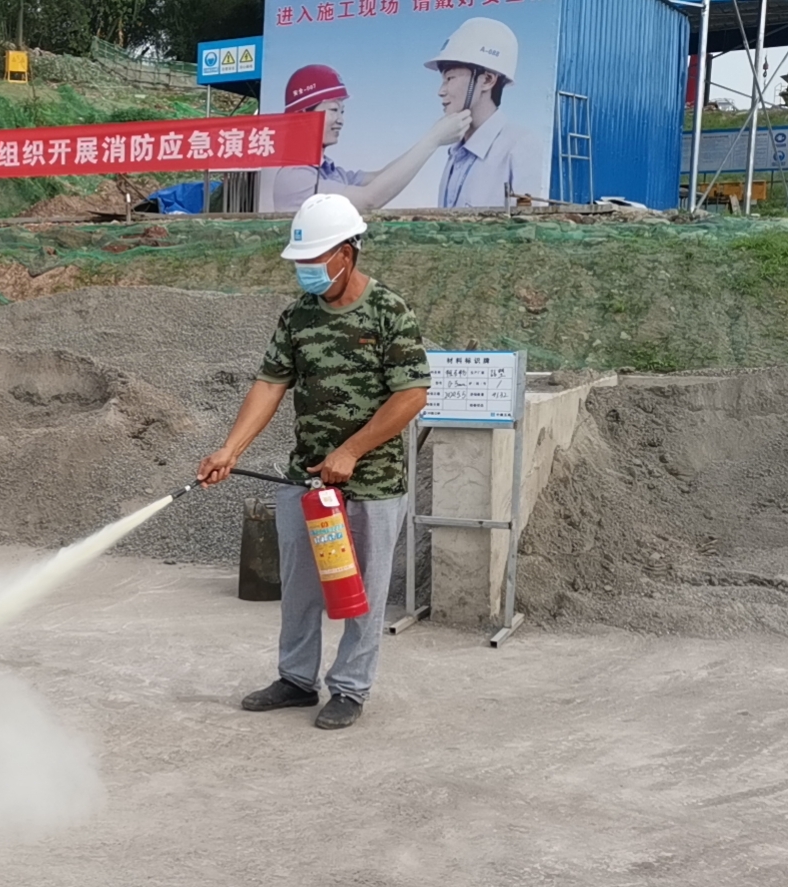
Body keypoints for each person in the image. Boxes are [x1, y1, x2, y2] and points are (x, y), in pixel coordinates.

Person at [196, 194, 431, 730]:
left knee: (361, 592)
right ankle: (297, 679)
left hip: (371, 482)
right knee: (300, 584)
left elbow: (412, 394)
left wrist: (352, 450)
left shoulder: (388, 311)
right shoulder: (298, 316)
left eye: (315, 260)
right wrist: (230, 450)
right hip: (306, 478)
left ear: (347, 252)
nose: (305, 271)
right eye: (299, 263)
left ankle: (349, 688)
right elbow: (270, 382)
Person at [269, 64, 470, 212]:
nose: (340, 120)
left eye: (342, 111)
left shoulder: (328, 172)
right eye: (333, 110)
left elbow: (379, 177)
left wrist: (431, 138)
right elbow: (369, 199)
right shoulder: (295, 177)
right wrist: (433, 140)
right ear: (304, 117)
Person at [426, 17, 545, 208]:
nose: (441, 91)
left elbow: (527, 227)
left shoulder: (519, 146)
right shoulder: (456, 150)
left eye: (450, 78)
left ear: (488, 80)